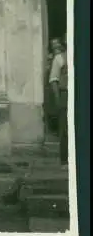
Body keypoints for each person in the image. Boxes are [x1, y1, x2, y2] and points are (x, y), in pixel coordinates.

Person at [48, 36, 68, 169]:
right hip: (65, 94)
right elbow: (53, 80)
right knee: (65, 128)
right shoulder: (59, 58)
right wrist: (58, 99)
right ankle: (65, 160)